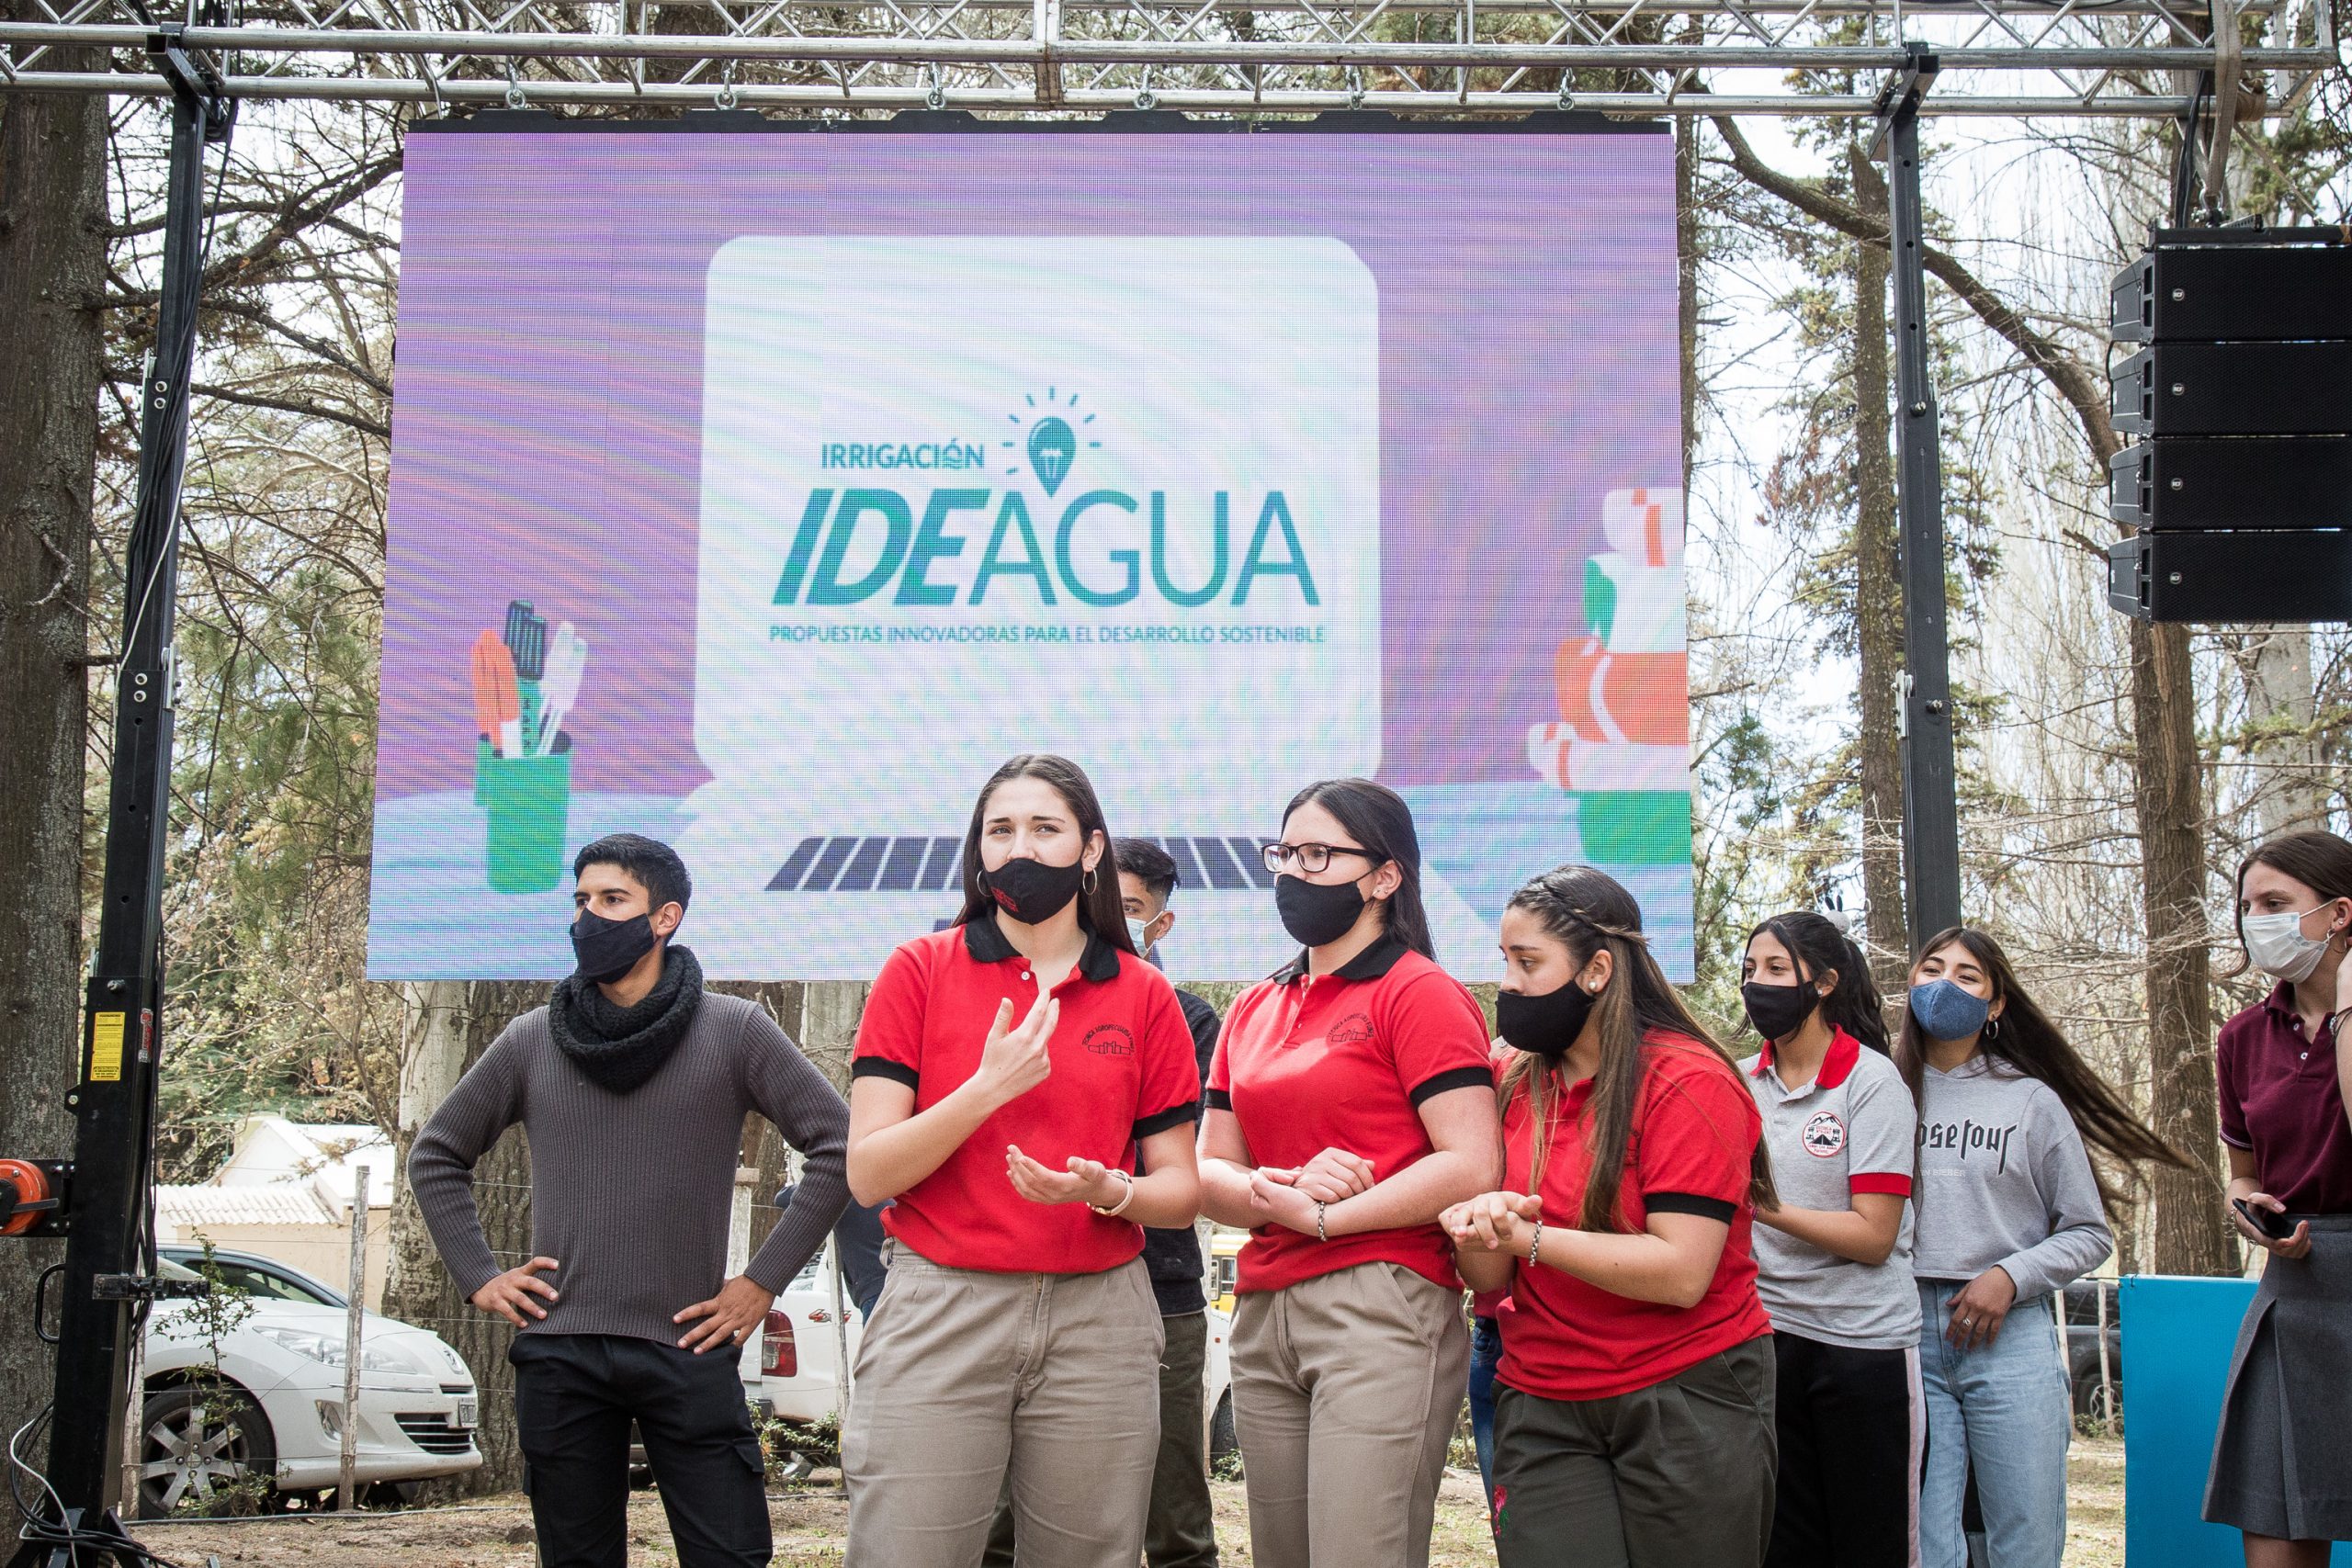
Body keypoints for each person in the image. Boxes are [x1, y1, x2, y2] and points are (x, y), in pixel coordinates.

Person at [411, 833, 851, 1568]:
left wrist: (761, 1281)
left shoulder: (735, 1030)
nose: (590, 916)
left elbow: (839, 1145)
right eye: (581, 900)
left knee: (732, 1557)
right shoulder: (529, 1040)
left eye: (613, 899)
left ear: (665, 916)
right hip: (561, 1353)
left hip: (689, 1345)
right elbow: (436, 1153)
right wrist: (480, 1274)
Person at [841, 755, 1204, 1568]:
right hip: (941, 1304)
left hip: (1100, 1317)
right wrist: (984, 1091)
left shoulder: (1145, 994)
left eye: (1045, 828)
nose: (1021, 848)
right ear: (979, 850)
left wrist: (1111, 1189)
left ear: (1090, 849)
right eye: (1000, 830)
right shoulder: (918, 970)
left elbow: (1181, 1190)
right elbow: (868, 1173)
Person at [1197, 778, 1498, 1568]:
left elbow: (1472, 1161)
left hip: (1382, 1301)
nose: (1295, 871)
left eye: (1319, 854)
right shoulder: (1251, 1008)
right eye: (1285, 853)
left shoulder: (1421, 992)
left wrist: (1327, 1218)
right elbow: (1209, 1168)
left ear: (1385, 875)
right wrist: (1284, 1188)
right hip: (1264, 1306)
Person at [1445, 863, 1778, 1568]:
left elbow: (1682, 1272)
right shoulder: (1508, 1080)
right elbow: (1489, 1277)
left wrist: (1532, 1237)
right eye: (1504, 960)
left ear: (1597, 970)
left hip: (1688, 1390)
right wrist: (1482, 1225)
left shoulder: (1688, 1079)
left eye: (1527, 962)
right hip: (1542, 1396)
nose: (1507, 984)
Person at [1896, 925, 2188, 1568]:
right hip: (1906, 1335)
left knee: (2024, 1537)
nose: (1944, 985)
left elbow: (2089, 1232)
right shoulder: (1884, 1090)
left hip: (2009, 1336)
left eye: (1967, 976)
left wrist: (2010, 1275)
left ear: (1996, 1003)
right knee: (1924, 1542)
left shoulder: (2031, 1100)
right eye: (1931, 969)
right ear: (1910, 984)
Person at [985, 836, 1223, 1568]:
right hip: (1021, 1283)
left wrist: (1105, 1181)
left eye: (1132, 907)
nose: (1111, 918)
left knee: (1174, 1518)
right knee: (1001, 1525)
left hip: (1160, 1291)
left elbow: (1179, 1161)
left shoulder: (1188, 1019)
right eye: (1101, 900)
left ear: (1161, 923)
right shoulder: (1019, 1008)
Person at [1738, 912, 1923, 1568]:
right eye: (1750, 969)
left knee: (1871, 1548)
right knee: (1783, 1548)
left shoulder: (1872, 1082)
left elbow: (1874, 1235)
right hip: (1766, 1343)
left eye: (1776, 969)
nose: (1757, 984)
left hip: (1862, 1348)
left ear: (1823, 982)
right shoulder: (1738, 1080)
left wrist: (1765, 1207)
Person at [2205, 830, 2352, 1564]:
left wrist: (2347, 1009)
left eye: (2274, 902)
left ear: (2339, 913)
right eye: (2247, 906)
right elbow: (2243, 1172)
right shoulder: (2240, 1037)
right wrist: (2248, 1211)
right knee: (2275, 1541)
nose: (2254, 920)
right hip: (2291, 1292)